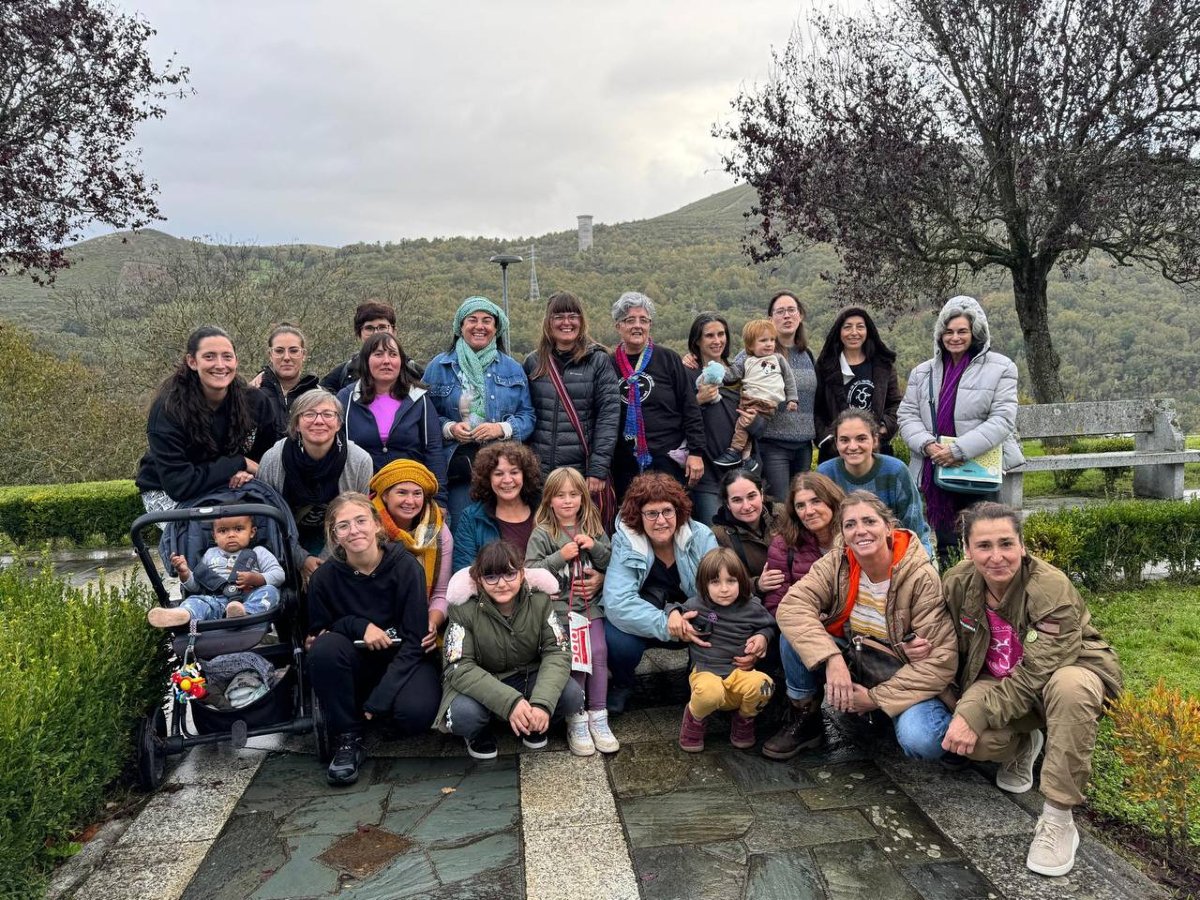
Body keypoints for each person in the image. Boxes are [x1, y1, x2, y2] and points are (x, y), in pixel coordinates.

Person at [940, 503, 1122, 877]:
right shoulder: (957, 582)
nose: (996, 557)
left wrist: (977, 713)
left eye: (1006, 543)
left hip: (1066, 671)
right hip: (996, 677)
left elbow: (1040, 669)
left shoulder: (1049, 586)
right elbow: (947, 640)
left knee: (1071, 689)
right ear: (967, 550)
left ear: (1022, 546)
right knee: (966, 739)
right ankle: (1025, 745)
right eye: (984, 546)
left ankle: (1058, 818)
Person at [775, 492, 957, 762]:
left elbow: (940, 662)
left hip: (902, 671)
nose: (860, 531)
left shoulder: (919, 576)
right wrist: (831, 658)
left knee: (922, 739)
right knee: (793, 638)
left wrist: (874, 698)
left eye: (869, 521)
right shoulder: (838, 562)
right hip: (857, 658)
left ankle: (943, 730)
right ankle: (806, 717)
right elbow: (792, 606)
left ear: (888, 528)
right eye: (850, 525)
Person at [307, 493, 442, 785]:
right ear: (334, 535)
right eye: (343, 526)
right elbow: (321, 631)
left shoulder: (406, 567)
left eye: (360, 521)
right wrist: (359, 626)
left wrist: (381, 697)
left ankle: (375, 709)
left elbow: (415, 639)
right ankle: (348, 735)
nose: (354, 530)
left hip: (403, 660)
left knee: (414, 716)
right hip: (354, 663)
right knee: (324, 649)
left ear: (377, 525)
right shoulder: (324, 578)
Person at [898, 296, 1024, 566]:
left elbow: (1002, 419)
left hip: (978, 468)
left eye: (962, 331)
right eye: (948, 331)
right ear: (940, 333)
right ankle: (951, 595)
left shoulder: (1001, 368)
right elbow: (907, 415)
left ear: (975, 332)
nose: (954, 337)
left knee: (984, 537)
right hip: (937, 469)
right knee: (946, 543)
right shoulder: (922, 373)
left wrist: (958, 450)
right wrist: (929, 447)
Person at [436, 540, 588, 758]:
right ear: (479, 579)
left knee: (573, 696)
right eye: (491, 577)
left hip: (527, 676)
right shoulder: (462, 609)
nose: (501, 583)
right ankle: (479, 731)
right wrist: (511, 702)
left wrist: (542, 703)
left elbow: (557, 650)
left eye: (509, 574)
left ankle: (533, 720)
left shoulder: (540, 601)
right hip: (483, 681)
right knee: (462, 715)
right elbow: (458, 666)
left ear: (522, 574)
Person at [601, 472, 719, 714]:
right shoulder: (626, 541)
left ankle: (700, 673)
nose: (661, 520)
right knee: (617, 639)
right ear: (639, 515)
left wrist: (684, 619)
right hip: (647, 621)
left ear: (678, 511)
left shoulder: (701, 536)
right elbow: (618, 602)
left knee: (720, 620)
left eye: (667, 511)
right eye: (651, 513)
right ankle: (623, 683)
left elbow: (717, 591)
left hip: (693, 618)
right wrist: (667, 623)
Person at [524, 466, 617, 754]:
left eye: (574, 494)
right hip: (561, 610)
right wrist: (558, 557)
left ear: (583, 498)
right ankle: (575, 718)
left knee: (599, 652)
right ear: (549, 500)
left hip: (591, 608)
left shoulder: (594, 527)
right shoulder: (542, 533)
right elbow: (530, 572)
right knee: (577, 660)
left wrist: (595, 548)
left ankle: (598, 716)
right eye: (560, 495)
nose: (567, 501)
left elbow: (612, 562)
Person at [135, 325, 279, 510]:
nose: (220, 364)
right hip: (168, 492)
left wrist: (246, 474)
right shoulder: (168, 409)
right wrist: (237, 464)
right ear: (192, 361)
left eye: (227, 356)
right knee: (211, 531)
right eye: (209, 356)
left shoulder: (256, 402)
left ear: (236, 361)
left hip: (232, 484)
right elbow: (180, 486)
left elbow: (266, 459)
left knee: (259, 525)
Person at [423, 296, 535, 525]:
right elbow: (425, 415)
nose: (479, 326)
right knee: (463, 529)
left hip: (502, 469)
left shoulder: (512, 368)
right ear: (460, 327)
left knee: (500, 531)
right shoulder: (439, 366)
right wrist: (449, 428)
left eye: (487, 321)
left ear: (496, 328)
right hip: (457, 469)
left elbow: (528, 416)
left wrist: (500, 428)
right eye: (472, 320)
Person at [759, 472, 846, 758]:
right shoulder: (785, 543)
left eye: (816, 501)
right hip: (808, 625)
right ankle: (804, 714)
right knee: (790, 636)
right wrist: (811, 620)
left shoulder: (854, 534)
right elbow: (777, 602)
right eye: (800, 505)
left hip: (852, 627)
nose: (808, 511)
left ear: (832, 501)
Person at [669, 548, 776, 752]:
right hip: (706, 671)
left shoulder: (752, 607)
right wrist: (673, 614)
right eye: (715, 582)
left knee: (765, 685)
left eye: (731, 581)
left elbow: (769, 625)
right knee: (710, 692)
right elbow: (673, 606)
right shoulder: (697, 605)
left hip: (740, 673)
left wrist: (763, 637)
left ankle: (743, 719)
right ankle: (694, 718)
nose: (724, 589)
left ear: (742, 581)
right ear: (704, 584)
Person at [257, 389, 373, 576]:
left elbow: (358, 517)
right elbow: (268, 521)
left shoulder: (359, 461)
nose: (319, 421)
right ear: (296, 424)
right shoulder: (273, 459)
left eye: (328, 414)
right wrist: (301, 559)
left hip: (339, 540)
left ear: (338, 423)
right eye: (309, 414)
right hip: (286, 542)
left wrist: (327, 559)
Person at [609, 292, 707, 498]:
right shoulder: (608, 364)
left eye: (643, 320)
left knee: (670, 517)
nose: (638, 325)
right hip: (624, 462)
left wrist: (696, 453)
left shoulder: (668, 359)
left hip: (667, 458)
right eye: (630, 320)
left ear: (650, 325)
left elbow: (690, 407)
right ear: (618, 326)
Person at [523, 291, 621, 494]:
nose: (566, 322)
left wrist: (598, 469)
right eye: (558, 317)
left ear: (581, 320)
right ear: (548, 322)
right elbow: (525, 414)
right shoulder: (534, 362)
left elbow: (608, 417)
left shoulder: (598, 360)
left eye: (572, 316)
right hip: (540, 474)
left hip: (581, 473)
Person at [337, 333, 446, 496]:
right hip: (361, 496)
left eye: (393, 354)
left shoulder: (419, 399)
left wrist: (439, 498)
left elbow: (434, 450)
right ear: (366, 360)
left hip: (410, 498)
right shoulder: (346, 398)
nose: (386, 361)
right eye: (378, 354)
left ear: (401, 361)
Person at [818, 409, 934, 561]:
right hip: (843, 555)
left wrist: (918, 560)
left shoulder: (895, 470)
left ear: (875, 440)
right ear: (836, 443)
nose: (852, 446)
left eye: (861, 439)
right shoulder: (825, 473)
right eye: (845, 440)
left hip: (893, 550)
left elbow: (913, 526)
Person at [369, 459, 454, 655]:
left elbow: (441, 593)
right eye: (401, 492)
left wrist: (431, 624)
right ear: (385, 495)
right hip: (373, 624)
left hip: (418, 624)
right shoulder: (367, 527)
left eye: (417, 494)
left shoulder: (439, 531)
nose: (410, 501)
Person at [684, 312, 759, 525]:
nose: (717, 341)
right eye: (709, 336)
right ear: (697, 340)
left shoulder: (740, 373)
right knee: (714, 538)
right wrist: (697, 400)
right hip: (706, 473)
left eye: (721, 334)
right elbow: (677, 420)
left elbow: (761, 427)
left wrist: (754, 421)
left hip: (743, 472)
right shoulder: (687, 374)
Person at [148, 515, 284, 628]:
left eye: (238, 529)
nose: (231, 535)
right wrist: (185, 574)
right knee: (195, 600)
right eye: (223, 531)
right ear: (214, 535)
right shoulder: (209, 554)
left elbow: (279, 575)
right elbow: (197, 586)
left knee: (271, 591)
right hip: (215, 600)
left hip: (249, 596)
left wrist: (257, 578)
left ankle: (245, 613)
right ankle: (183, 614)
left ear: (252, 532)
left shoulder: (259, 552)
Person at [750, 292, 818, 499]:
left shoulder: (807, 354)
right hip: (772, 445)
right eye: (780, 312)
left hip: (804, 447)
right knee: (780, 507)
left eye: (791, 310)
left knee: (803, 506)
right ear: (771, 319)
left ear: (801, 316)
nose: (787, 316)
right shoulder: (757, 353)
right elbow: (731, 373)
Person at [814, 307, 902, 463]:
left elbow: (895, 405)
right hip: (835, 453)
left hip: (877, 450)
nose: (854, 332)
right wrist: (830, 439)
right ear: (838, 332)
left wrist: (881, 431)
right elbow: (816, 409)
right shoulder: (825, 368)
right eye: (847, 327)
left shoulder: (883, 366)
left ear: (868, 331)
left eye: (860, 327)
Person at [712, 319, 798, 467]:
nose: (769, 344)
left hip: (768, 402)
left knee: (742, 424)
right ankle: (746, 459)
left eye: (772, 340)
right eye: (763, 340)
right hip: (749, 399)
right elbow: (732, 374)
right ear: (751, 345)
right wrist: (717, 366)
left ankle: (734, 451)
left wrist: (792, 399)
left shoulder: (778, 359)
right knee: (747, 428)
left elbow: (789, 380)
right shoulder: (747, 360)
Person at [452, 441, 542, 570]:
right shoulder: (472, 517)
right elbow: (463, 571)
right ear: (488, 478)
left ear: (525, 475)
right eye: (498, 474)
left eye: (514, 472)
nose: (507, 480)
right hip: (491, 588)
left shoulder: (543, 510)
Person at [709, 469, 784, 596]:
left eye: (751, 496)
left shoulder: (782, 514)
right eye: (737, 500)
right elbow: (722, 584)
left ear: (761, 494)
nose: (747, 506)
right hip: (755, 603)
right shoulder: (719, 535)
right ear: (727, 503)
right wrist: (757, 585)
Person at [320, 300, 415, 393]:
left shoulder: (412, 371)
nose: (376, 333)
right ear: (359, 334)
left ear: (394, 331)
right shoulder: (344, 373)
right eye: (369, 328)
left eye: (382, 327)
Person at [254, 323, 319, 438]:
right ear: (270, 355)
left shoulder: (317, 396)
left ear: (303, 354)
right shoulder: (253, 395)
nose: (287, 357)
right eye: (279, 351)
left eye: (294, 351)